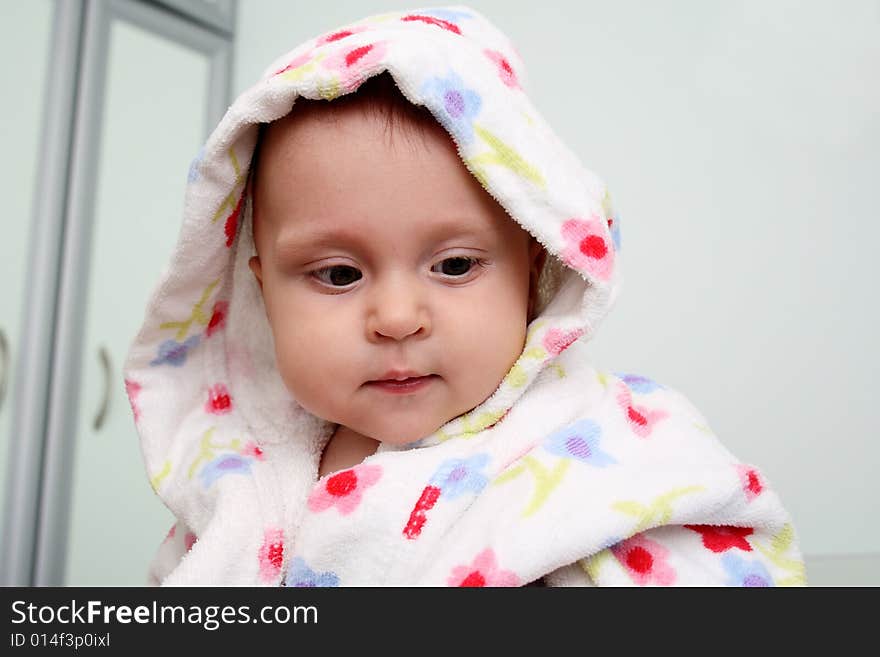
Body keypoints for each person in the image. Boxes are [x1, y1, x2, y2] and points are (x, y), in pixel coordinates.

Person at [125, 5, 807, 586]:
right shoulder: (232, 479)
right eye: (338, 274)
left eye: (453, 264)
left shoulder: (607, 446)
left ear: (534, 265)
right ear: (263, 291)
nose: (396, 318)